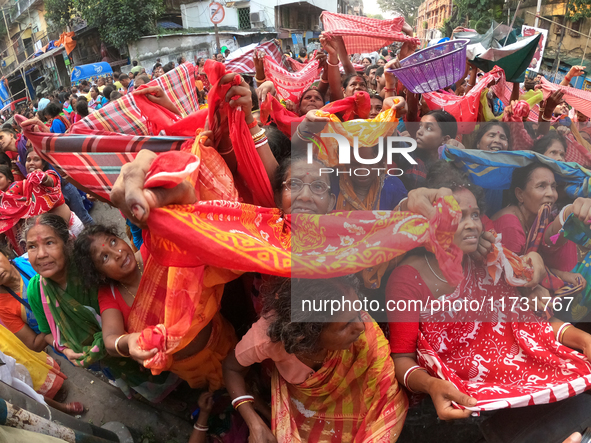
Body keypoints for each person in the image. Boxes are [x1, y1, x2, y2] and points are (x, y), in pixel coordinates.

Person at [388, 162, 591, 423]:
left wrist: (583, 340)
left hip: (518, 376)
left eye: (474, 214)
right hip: (467, 394)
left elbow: (529, 323)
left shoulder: (488, 263)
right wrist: (431, 386)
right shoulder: (407, 279)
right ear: (429, 220)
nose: (472, 224)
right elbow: (402, 359)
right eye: (458, 216)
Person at [222, 275, 408, 442]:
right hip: (302, 412)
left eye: (358, 312)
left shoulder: (367, 338)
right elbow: (231, 368)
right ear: (308, 334)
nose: (361, 326)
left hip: (354, 413)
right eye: (345, 326)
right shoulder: (269, 338)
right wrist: (253, 421)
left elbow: (386, 395)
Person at [23, 213, 179, 402]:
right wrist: (65, 351)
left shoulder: (93, 268)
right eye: (32, 246)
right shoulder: (36, 292)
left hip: (141, 337)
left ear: (67, 243)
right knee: (149, 385)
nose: (41, 254)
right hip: (103, 357)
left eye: (49, 243)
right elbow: (47, 332)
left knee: (171, 368)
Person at [0, 247, 47, 352]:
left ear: (4, 254)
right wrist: (52, 323)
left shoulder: (30, 260)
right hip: (65, 344)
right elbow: (35, 344)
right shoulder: (3, 308)